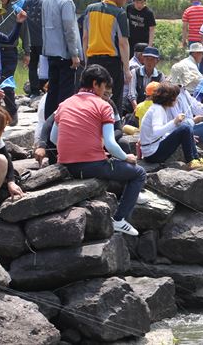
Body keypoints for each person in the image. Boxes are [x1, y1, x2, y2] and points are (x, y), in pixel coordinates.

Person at [51, 64, 145, 236]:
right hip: (91, 165)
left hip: (66, 165)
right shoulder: (103, 106)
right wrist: (126, 157)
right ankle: (119, 219)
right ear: (96, 84)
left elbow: (52, 138)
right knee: (138, 173)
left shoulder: (64, 104)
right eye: (104, 86)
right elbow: (110, 143)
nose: (104, 91)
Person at [139, 82, 203, 170]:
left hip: (153, 150)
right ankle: (191, 161)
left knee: (185, 129)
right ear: (169, 98)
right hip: (153, 153)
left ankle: (196, 160)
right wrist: (174, 122)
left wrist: (187, 137)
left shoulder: (158, 108)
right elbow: (157, 132)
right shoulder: (158, 110)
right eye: (175, 98)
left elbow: (160, 134)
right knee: (185, 128)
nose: (177, 100)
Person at [84, 0, 132, 112]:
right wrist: (127, 69)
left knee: (91, 96)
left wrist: (86, 60)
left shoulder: (90, 9)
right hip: (112, 63)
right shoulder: (119, 13)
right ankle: (112, 127)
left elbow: (85, 38)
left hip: (92, 60)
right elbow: (123, 43)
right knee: (112, 98)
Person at [42, 0, 81, 120]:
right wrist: (75, 54)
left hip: (51, 53)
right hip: (65, 55)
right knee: (65, 92)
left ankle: (48, 126)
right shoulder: (66, 2)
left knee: (52, 90)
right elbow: (69, 30)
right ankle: (62, 125)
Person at [0, 0, 31, 126]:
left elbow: (24, 32)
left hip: (9, 51)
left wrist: (27, 52)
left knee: (6, 82)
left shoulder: (16, 10)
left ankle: (12, 112)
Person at [20, 0, 47, 97]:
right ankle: (46, 88)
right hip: (43, 41)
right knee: (46, 66)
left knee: (32, 66)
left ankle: (34, 91)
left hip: (29, 41)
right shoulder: (45, 3)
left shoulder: (25, 2)